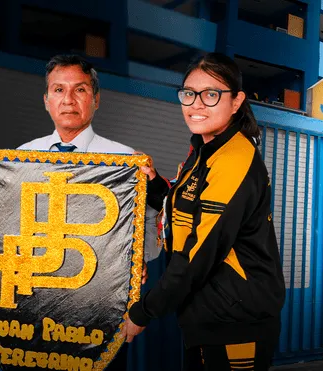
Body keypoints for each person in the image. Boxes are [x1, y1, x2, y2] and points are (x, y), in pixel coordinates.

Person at [122, 52, 286, 371]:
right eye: (189, 94)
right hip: (206, 314)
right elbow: (183, 211)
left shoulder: (235, 159)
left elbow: (199, 252)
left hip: (236, 322)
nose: (196, 104)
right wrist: (154, 183)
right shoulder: (203, 150)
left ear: (236, 101)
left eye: (211, 94)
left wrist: (143, 312)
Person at [18, 54, 155, 371]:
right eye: (58, 90)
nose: (68, 100)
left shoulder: (124, 159)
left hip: (101, 306)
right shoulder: (20, 157)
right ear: (46, 100)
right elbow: (3, 220)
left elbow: (148, 220)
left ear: (96, 99)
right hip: (37, 304)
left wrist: (140, 259)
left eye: (79, 90)